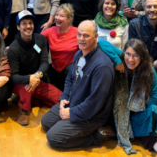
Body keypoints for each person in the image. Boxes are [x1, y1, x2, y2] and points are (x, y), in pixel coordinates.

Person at [41, 20, 115, 148]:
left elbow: (95, 103)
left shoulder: (102, 66)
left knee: (53, 138)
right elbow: (70, 79)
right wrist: (64, 98)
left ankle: (97, 137)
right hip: (74, 102)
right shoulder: (79, 54)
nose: (81, 39)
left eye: (86, 35)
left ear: (96, 37)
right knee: (46, 123)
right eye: (79, 35)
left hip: (92, 115)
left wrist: (72, 113)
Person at [7, 10, 62, 126]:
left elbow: (44, 63)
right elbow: (14, 77)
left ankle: (30, 100)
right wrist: (29, 79)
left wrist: (37, 76)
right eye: (24, 23)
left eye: (30, 23)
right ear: (18, 27)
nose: (28, 26)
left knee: (60, 100)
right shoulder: (13, 49)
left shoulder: (40, 39)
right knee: (26, 87)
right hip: (21, 84)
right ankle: (23, 108)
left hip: (37, 79)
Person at [112, 39, 157, 154]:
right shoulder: (120, 64)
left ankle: (140, 134)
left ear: (142, 57)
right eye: (128, 54)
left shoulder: (149, 71)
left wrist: (137, 104)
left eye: (136, 56)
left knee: (155, 110)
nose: (130, 59)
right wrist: (116, 60)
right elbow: (102, 44)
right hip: (120, 110)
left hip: (138, 111)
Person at [41, 4, 78, 91]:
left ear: (69, 19)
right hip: (55, 68)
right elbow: (36, 42)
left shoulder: (77, 32)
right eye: (57, 15)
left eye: (61, 16)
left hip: (70, 69)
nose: (57, 18)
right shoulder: (50, 31)